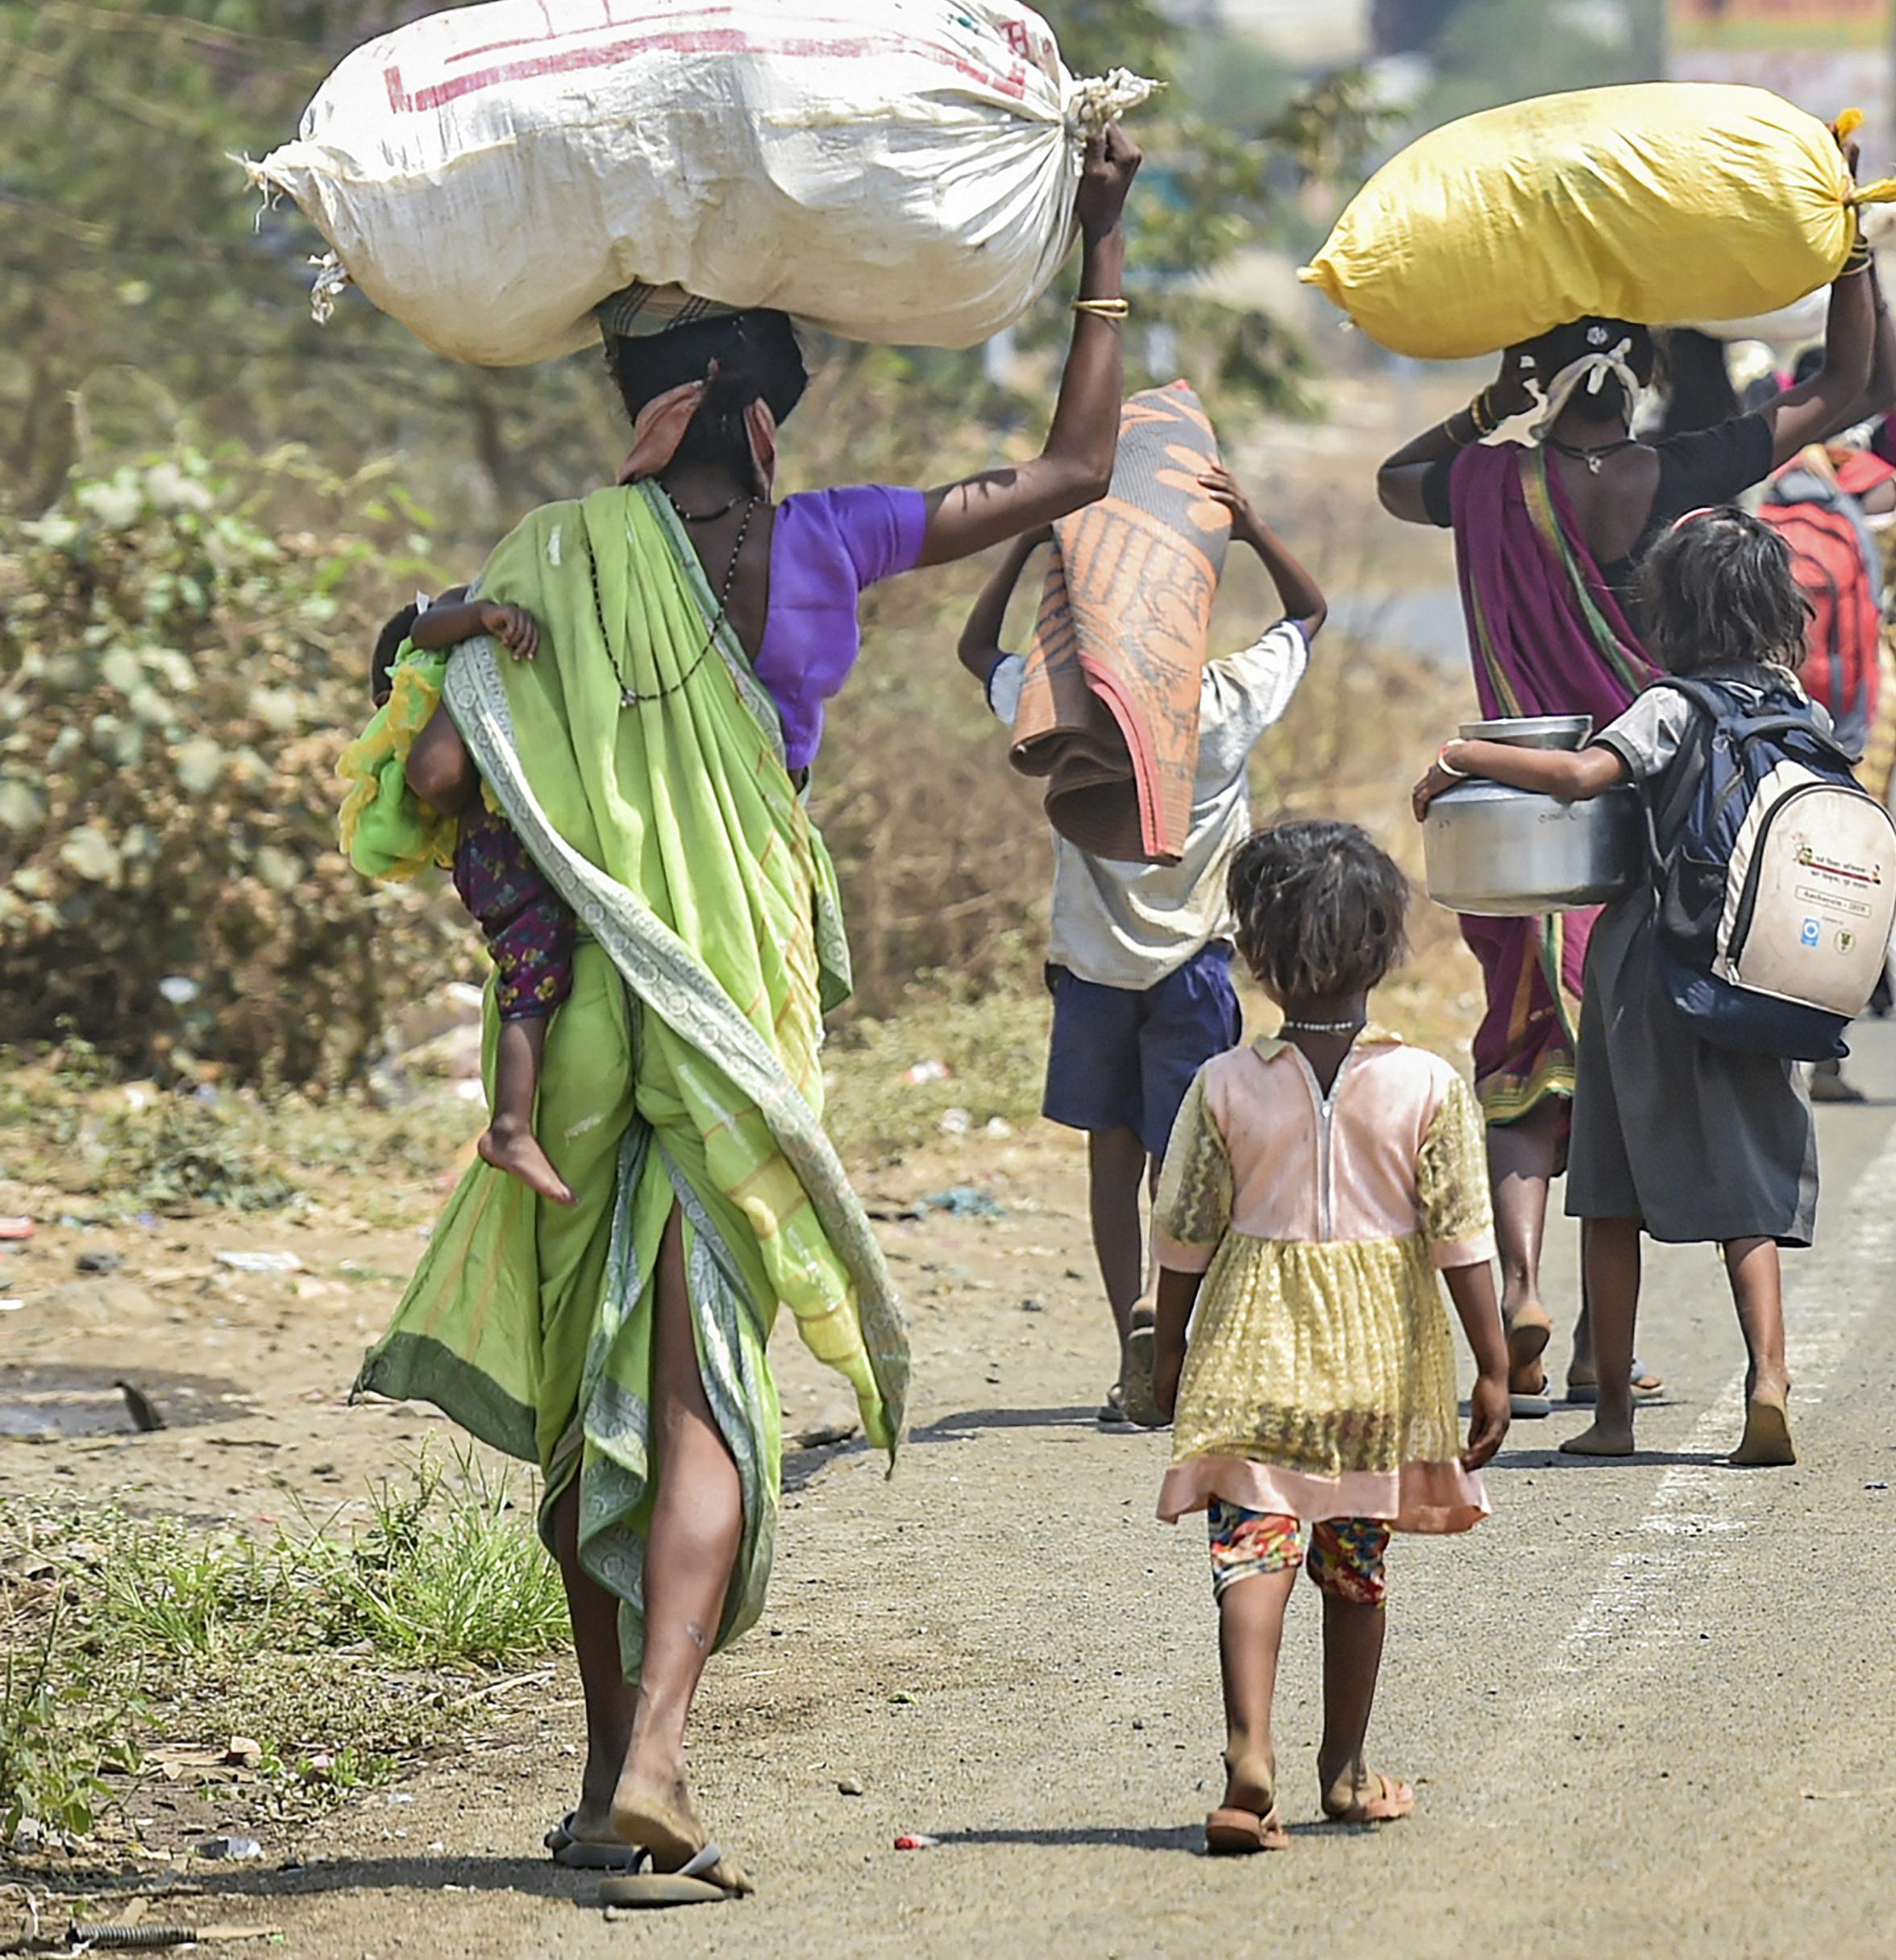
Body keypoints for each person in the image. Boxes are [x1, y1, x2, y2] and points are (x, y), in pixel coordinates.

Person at [354, 125, 1145, 1904]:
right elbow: (1080, 465)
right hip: (731, 1011)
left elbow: (429, 782)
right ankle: (653, 1758)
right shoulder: (833, 541)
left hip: (574, 1033)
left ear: (634, 408)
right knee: (702, 1380)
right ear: (769, 422)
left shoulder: (551, 554)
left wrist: (431, 631)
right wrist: (1102, 234)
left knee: (587, 1392)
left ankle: (592, 1764)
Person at [1373, 255, 1892, 1413]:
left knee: (1529, 1063)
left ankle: (1526, 1289)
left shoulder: (1484, 481)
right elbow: (1851, 382)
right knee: (1671, 1102)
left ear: (1538, 377)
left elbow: (1393, 480)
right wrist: (1857, 255)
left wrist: (1487, 410)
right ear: (1647, 373)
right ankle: (1679, 1359)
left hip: (1532, 831)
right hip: (1665, 837)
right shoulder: (1688, 470)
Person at [1407, 510, 1829, 1472]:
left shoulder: (1669, 706)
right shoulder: (1794, 705)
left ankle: (1613, 1416)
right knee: (1748, 1191)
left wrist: (1462, 759)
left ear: (1673, 611)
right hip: (1761, 969)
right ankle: (1768, 1375)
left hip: (1651, 965)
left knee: (1609, 1187)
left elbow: (1575, 775)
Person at [1150, 820, 1508, 1842]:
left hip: (1249, 1355)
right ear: (1387, 947)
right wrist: (1491, 1365)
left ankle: (1247, 1751)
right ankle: (1345, 1770)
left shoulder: (1222, 1084)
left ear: (1256, 957)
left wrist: (1170, 1351)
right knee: (1355, 1572)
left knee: (1250, 1555)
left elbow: (1181, 1234)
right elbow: (1461, 1239)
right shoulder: (1430, 1086)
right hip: (1376, 1373)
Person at [956, 462, 1328, 1430]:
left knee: (1109, 1160)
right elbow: (1309, 615)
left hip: (1089, 973)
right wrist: (1247, 528)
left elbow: (972, 649)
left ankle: (1129, 1314)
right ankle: (1169, 1325)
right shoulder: (1224, 705)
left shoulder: (1067, 709)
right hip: (1194, 968)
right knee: (1189, 1163)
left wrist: (1026, 547)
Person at [346, 588, 573, 1205]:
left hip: (492, 854)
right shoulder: (457, 652)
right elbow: (424, 634)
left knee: (534, 968)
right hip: (497, 854)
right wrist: (480, 620)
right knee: (532, 971)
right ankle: (510, 1127)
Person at [1772, 351, 1896, 1103]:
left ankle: (1770, 1030)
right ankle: (1826, 1055)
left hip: (1782, 695)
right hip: (1867, 706)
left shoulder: (1778, 484)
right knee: (1848, 878)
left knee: (1784, 863)